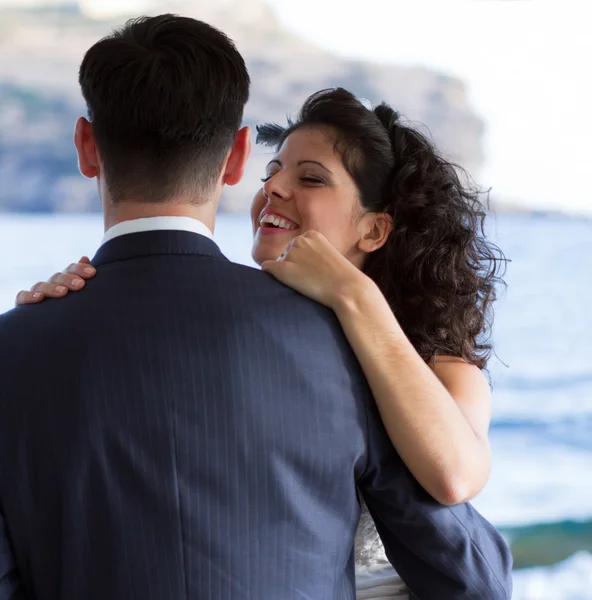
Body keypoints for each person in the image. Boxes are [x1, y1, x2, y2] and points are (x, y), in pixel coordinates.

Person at [1, 14, 512, 600]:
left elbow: (454, 479)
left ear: (86, 148)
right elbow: (471, 575)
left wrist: (32, 330)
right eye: (273, 171)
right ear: (239, 158)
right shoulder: (331, 344)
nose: (277, 190)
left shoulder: (377, 347)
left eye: (312, 179)